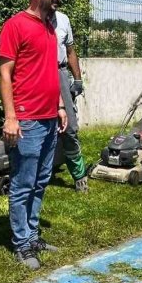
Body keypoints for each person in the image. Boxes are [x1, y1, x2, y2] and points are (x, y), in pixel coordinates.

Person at [0, 0, 68, 270]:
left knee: (40, 181)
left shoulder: (50, 26)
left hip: (50, 116)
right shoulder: (16, 25)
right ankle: (21, 243)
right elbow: (5, 73)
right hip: (26, 119)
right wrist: (10, 117)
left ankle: (32, 234)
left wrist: (60, 106)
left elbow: (50, 71)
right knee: (23, 183)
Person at [54, 10, 89, 192]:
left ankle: (79, 175)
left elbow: (70, 51)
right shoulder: (31, 20)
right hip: (38, 73)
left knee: (69, 128)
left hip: (60, 73)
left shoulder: (63, 19)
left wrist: (77, 79)